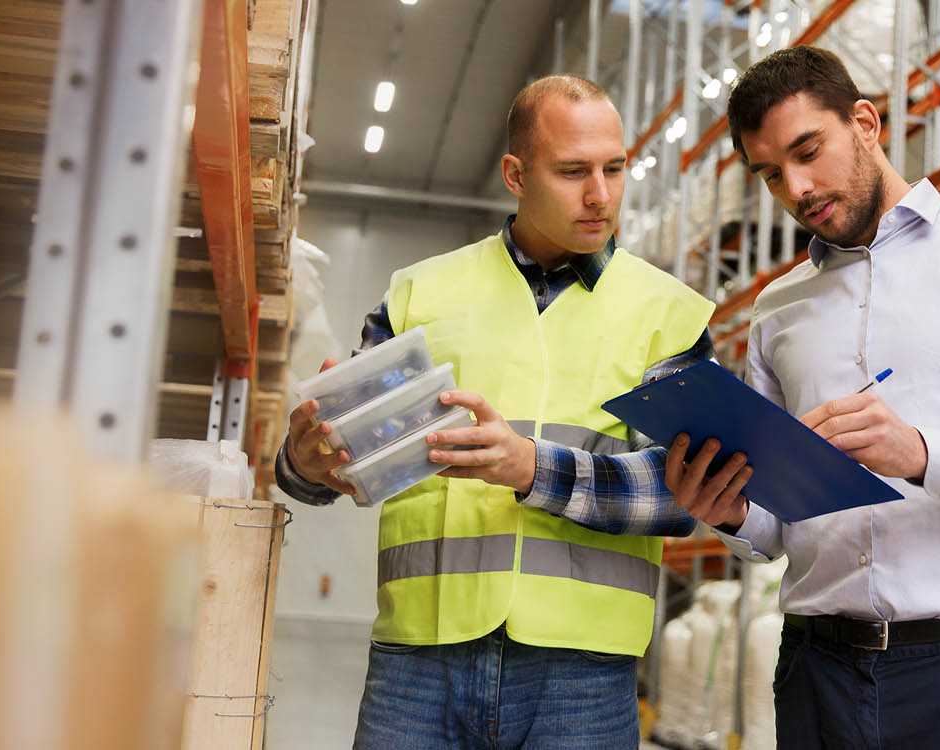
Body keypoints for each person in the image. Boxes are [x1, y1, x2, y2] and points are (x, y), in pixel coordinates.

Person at [665, 46, 940, 748]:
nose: (797, 188)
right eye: (771, 175)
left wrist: (923, 453)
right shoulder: (776, 308)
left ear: (867, 123)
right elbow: (782, 523)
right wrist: (731, 511)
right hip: (817, 671)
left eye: (808, 151)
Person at [274, 75, 725, 749]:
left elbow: (689, 493)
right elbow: (344, 459)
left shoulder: (665, 315)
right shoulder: (421, 293)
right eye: (572, 172)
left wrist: (533, 468)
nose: (600, 195)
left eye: (614, 168)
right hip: (418, 658)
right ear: (516, 174)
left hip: (584, 672)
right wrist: (305, 464)